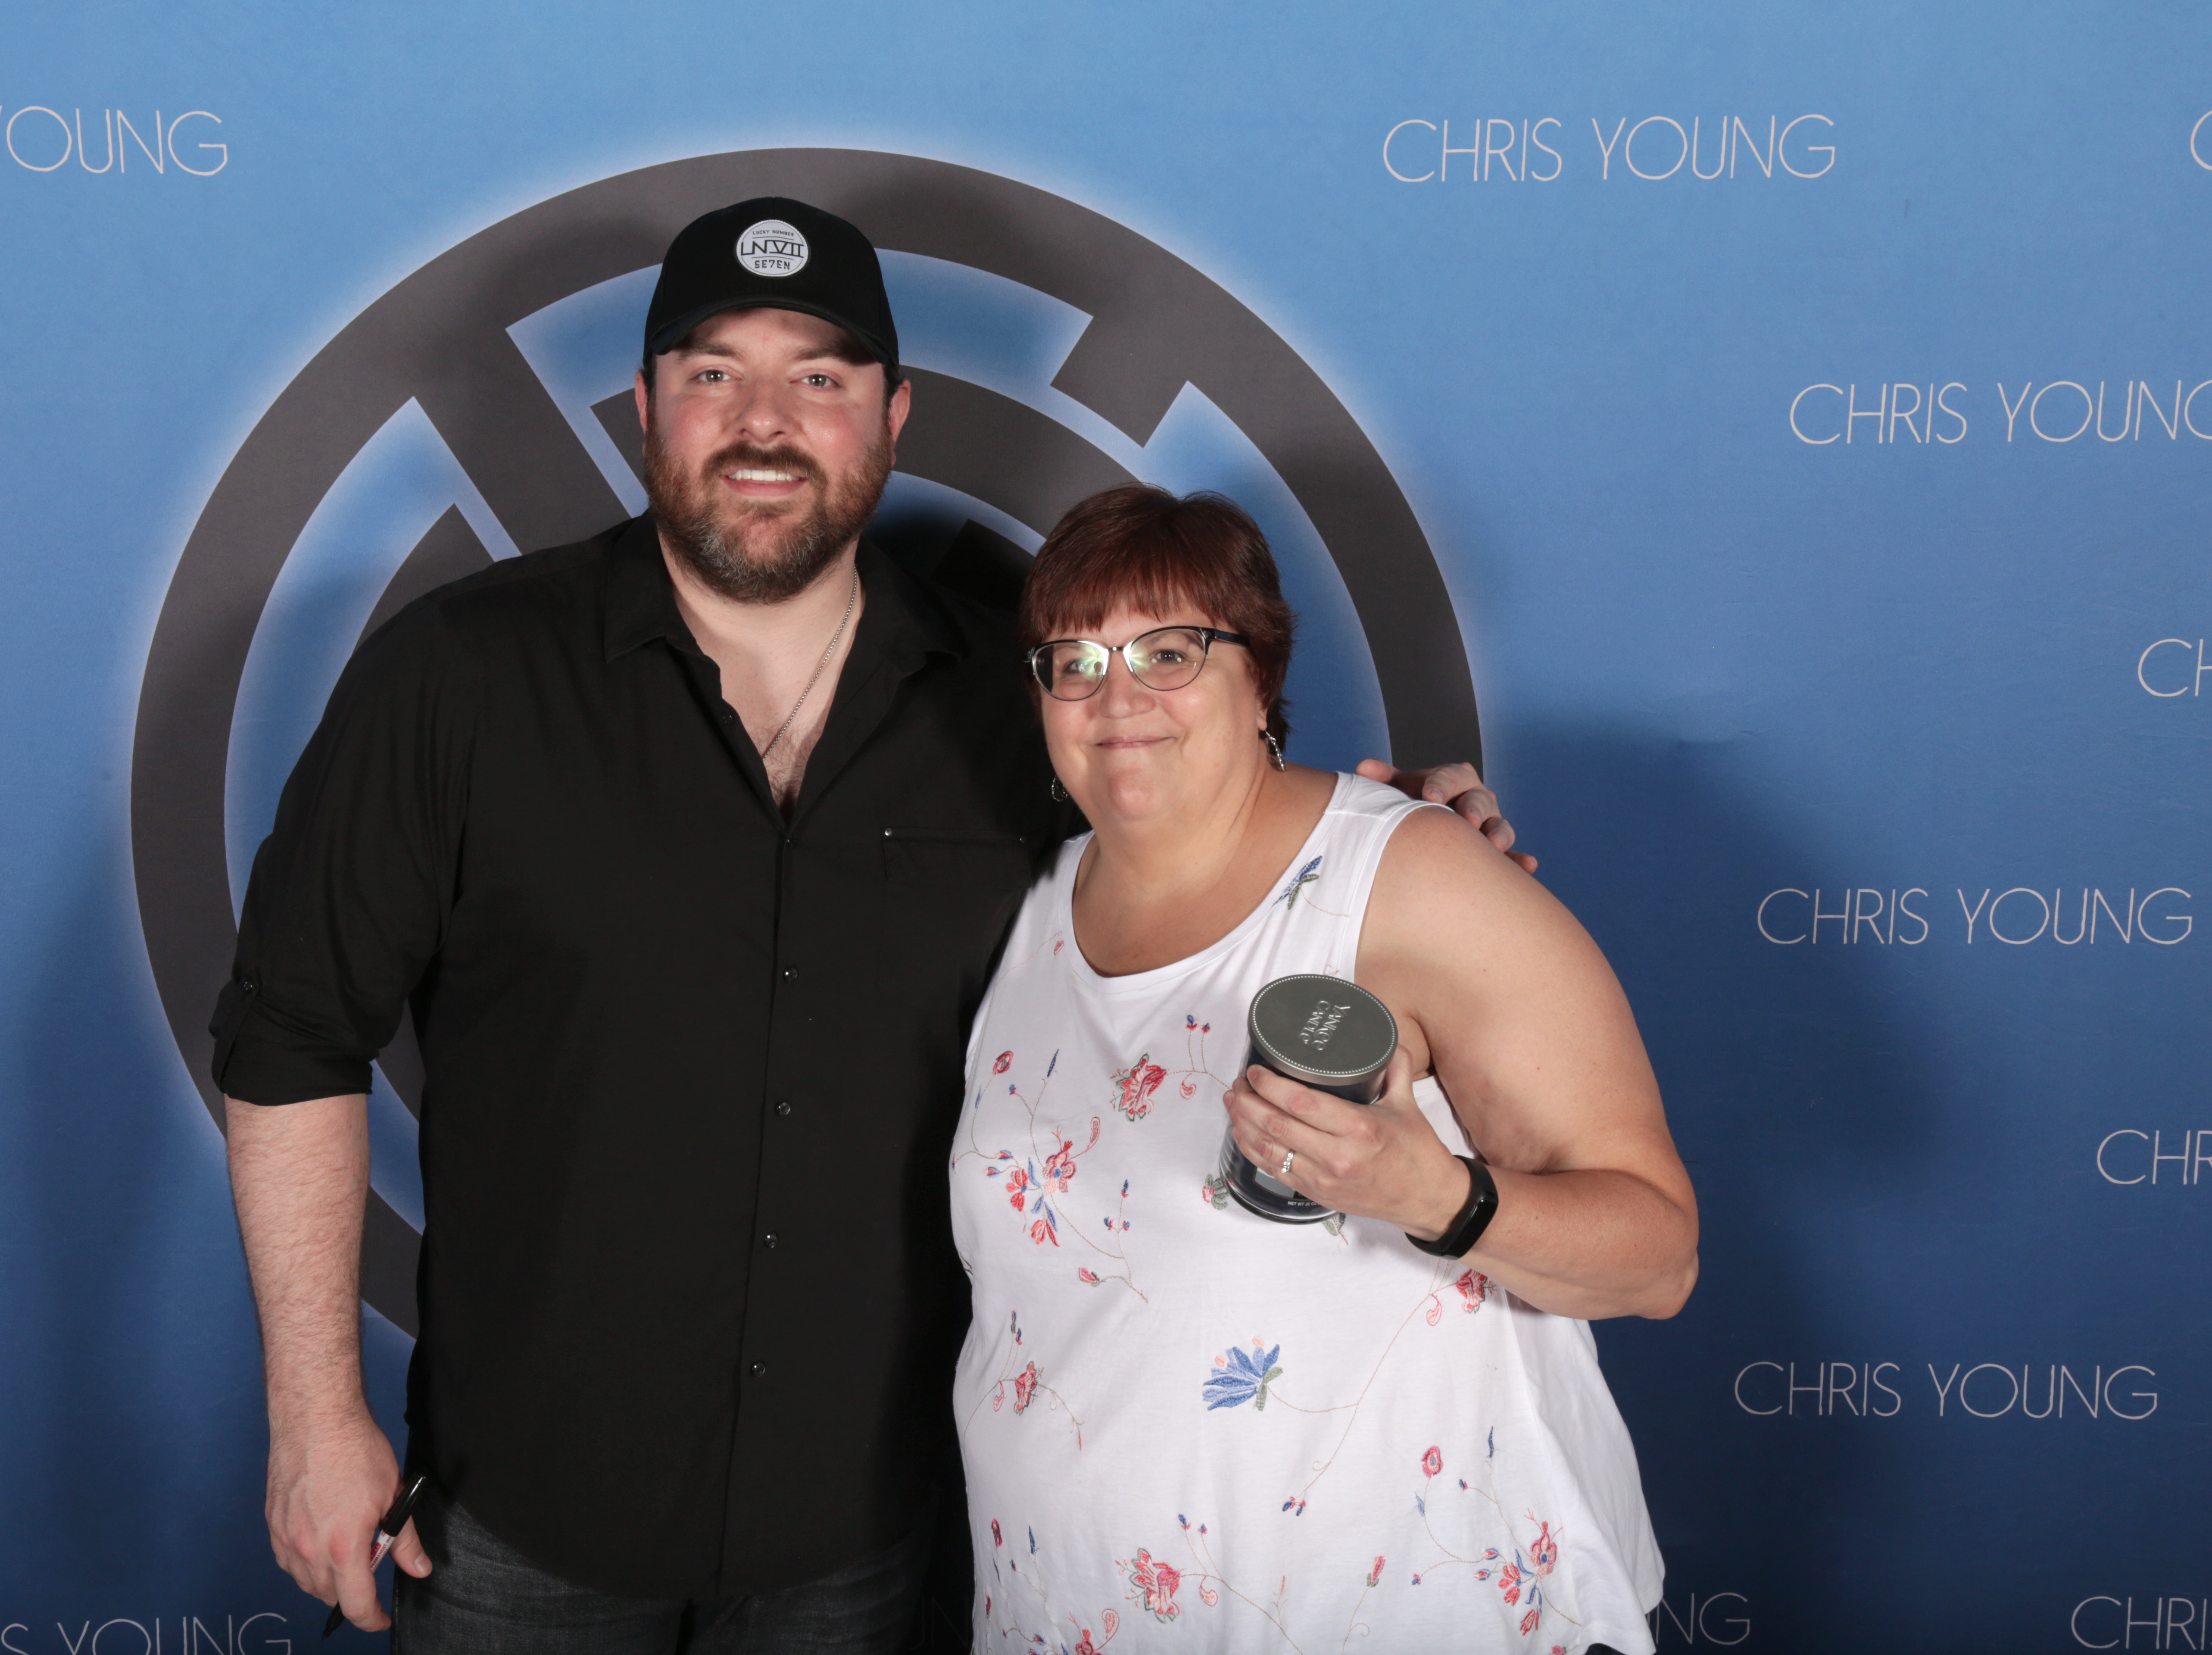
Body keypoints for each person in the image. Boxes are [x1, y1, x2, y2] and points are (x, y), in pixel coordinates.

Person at [212, 197, 1525, 1652]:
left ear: (893, 417)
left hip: (870, 1535)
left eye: (820, 378)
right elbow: (293, 1036)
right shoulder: (458, 680)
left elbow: (1218, 847)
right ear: (645, 406)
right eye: (714, 373)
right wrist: (314, 1416)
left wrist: (1396, 839)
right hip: (526, 1511)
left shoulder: (1018, 704)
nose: (763, 423)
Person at [951, 485, 1696, 1655]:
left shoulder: (1411, 880)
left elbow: (1658, 1258)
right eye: (1076, 663)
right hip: (1066, 1615)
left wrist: (1435, 1195)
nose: (1118, 699)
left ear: (1261, 680)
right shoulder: (1029, 908)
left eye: (1169, 652)